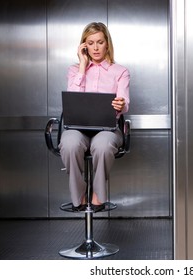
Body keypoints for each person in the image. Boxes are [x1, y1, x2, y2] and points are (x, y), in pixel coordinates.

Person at [59, 22, 130, 212]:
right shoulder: (74, 70)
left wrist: (121, 105)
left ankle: (98, 193)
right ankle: (79, 194)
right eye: (90, 43)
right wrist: (83, 66)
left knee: (103, 145)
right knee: (69, 144)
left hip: (107, 129)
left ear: (107, 43)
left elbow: (125, 102)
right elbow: (73, 98)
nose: (96, 47)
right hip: (77, 128)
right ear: (84, 46)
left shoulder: (120, 71)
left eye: (100, 42)